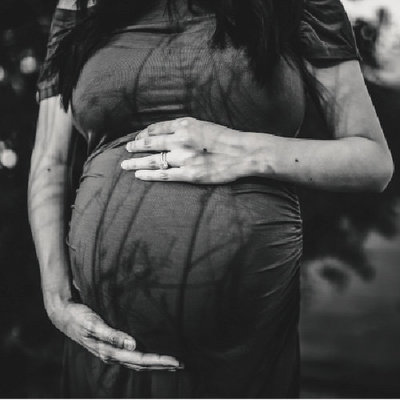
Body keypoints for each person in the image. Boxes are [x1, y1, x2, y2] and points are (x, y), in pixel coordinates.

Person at [28, 0, 393, 397]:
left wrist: (245, 150)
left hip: (243, 357)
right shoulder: (83, 5)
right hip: (103, 349)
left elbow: (373, 160)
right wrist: (56, 299)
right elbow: (51, 158)